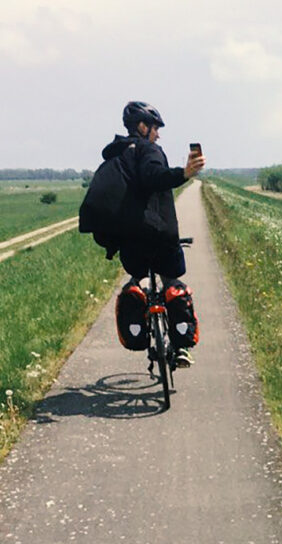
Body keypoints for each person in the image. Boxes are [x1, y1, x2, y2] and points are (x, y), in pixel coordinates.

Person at [106, 102, 206, 365]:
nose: (158, 134)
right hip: (161, 237)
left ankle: (140, 305)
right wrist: (183, 173)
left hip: (130, 243)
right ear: (142, 127)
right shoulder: (149, 150)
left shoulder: (116, 156)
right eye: (155, 128)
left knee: (137, 279)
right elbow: (153, 176)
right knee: (172, 281)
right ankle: (182, 346)